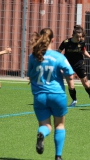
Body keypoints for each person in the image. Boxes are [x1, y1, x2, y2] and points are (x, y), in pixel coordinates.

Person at [28, 28, 75, 160]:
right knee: (59, 125)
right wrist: (70, 85)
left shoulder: (33, 56)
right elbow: (70, 75)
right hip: (57, 95)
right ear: (52, 40)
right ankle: (58, 156)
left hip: (39, 96)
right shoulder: (58, 56)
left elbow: (30, 75)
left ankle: (42, 134)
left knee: (45, 126)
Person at [58, 25, 90, 107]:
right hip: (68, 65)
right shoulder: (66, 42)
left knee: (86, 83)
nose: (79, 39)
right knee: (70, 83)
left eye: (80, 37)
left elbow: (84, 51)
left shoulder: (82, 42)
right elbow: (58, 52)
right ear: (73, 35)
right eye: (77, 37)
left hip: (80, 64)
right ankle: (74, 100)